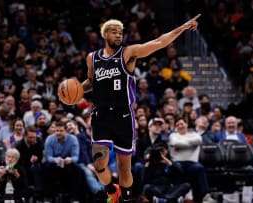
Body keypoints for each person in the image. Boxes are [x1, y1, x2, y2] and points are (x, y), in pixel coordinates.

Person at [81, 15, 200, 202]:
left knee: (124, 168)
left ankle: (126, 198)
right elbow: (90, 82)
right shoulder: (92, 58)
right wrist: (78, 89)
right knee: (99, 164)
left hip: (123, 115)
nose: (119, 35)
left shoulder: (128, 53)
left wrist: (182, 28)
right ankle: (111, 190)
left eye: (121, 32)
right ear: (105, 34)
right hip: (101, 114)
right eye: (114, 32)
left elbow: (159, 42)